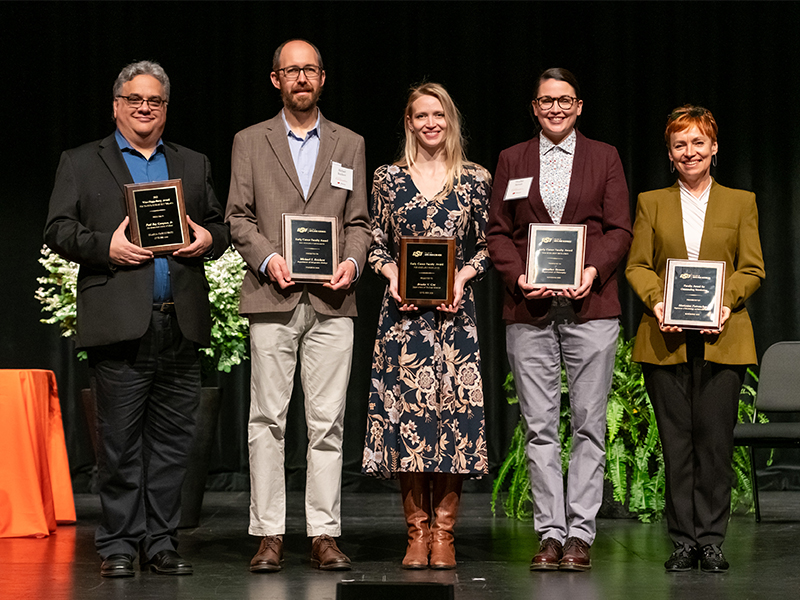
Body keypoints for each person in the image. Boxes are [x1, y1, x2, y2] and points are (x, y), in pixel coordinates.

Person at [44, 61, 230, 578]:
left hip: (181, 322)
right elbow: (58, 229)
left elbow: (219, 224)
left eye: (154, 101)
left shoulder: (192, 163)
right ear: (116, 105)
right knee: (120, 443)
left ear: (165, 109)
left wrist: (207, 239)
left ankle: (161, 541)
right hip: (121, 323)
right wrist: (108, 247)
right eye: (134, 99)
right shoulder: (82, 162)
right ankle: (120, 543)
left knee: (173, 445)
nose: (144, 108)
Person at [225, 39, 371, 573]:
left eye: (309, 69)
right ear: (275, 80)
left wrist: (352, 264)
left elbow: (358, 221)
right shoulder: (250, 141)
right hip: (273, 295)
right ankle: (268, 533)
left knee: (327, 421)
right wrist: (267, 259)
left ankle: (323, 533)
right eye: (292, 70)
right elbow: (237, 216)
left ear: (323, 78)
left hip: (334, 300)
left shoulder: (349, 143)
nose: (301, 78)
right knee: (267, 418)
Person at [486, 68, 632, 571]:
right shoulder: (512, 159)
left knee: (590, 425)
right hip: (528, 310)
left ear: (579, 105)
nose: (555, 108)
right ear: (534, 106)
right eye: (546, 101)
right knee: (540, 426)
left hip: (591, 308)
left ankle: (580, 536)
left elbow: (619, 229)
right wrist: (518, 275)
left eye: (564, 100)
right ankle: (550, 533)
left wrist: (592, 268)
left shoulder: (605, 156)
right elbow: (498, 233)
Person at [626, 105, 765, 573]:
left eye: (698, 142)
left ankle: (711, 540)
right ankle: (683, 540)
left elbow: (752, 268)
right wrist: (657, 301)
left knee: (714, 443)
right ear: (670, 153)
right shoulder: (651, 201)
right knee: (676, 444)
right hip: (663, 338)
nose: (690, 152)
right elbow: (637, 265)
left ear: (714, 148)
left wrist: (722, 303)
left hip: (724, 337)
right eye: (680, 144)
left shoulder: (741, 201)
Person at [362, 83, 491, 570]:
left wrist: (464, 274)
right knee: (410, 421)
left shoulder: (475, 179)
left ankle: (445, 533)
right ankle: (416, 533)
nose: (430, 122)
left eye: (438, 114)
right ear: (409, 122)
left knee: (453, 421)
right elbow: (374, 240)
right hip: (403, 320)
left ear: (450, 119)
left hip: (456, 318)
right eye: (421, 115)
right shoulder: (387, 179)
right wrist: (392, 272)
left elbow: (485, 245)